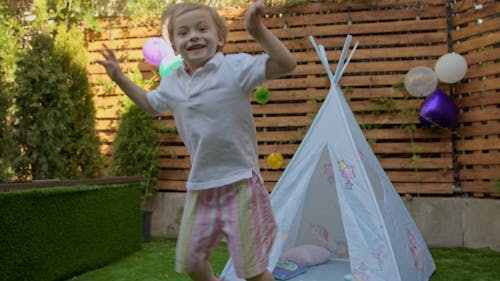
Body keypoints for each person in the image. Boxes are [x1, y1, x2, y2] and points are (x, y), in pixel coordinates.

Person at [97, 1, 296, 281]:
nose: (193, 36)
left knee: (252, 272)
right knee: (191, 263)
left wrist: (257, 30)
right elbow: (149, 104)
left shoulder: (235, 68)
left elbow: (286, 64)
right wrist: (119, 78)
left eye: (202, 28)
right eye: (183, 32)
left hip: (239, 183)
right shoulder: (173, 82)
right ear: (175, 46)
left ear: (220, 38)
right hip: (201, 186)